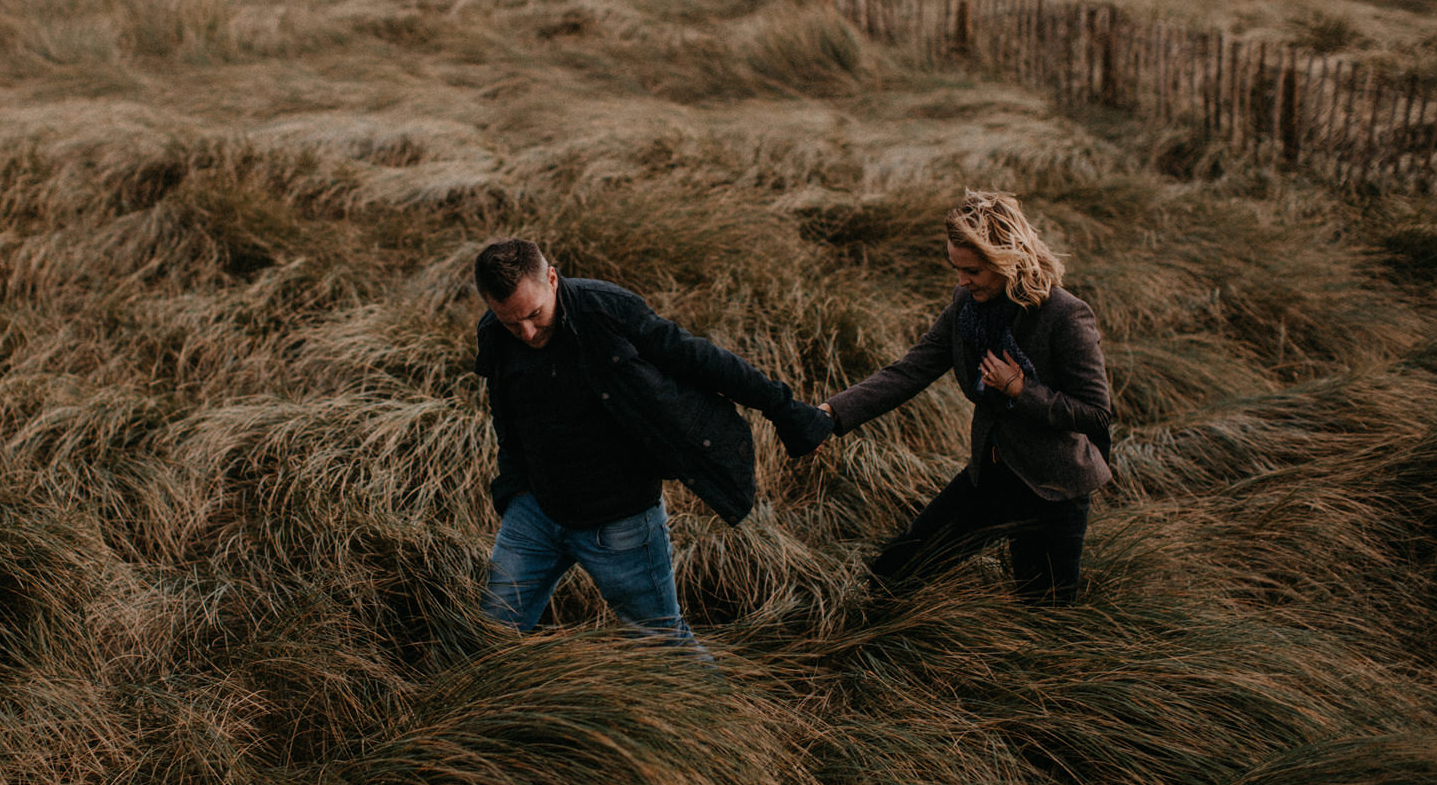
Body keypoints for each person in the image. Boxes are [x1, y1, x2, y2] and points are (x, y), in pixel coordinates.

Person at [472, 238, 833, 647]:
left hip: (621, 520)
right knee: (486, 635)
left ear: (552, 278)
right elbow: (506, 415)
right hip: (535, 513)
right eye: (510, 322)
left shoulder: (606, 309)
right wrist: (514, 491)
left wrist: (788, 412)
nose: (528, 332)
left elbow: (703, 360)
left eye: (535, 314)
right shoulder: (495, 334)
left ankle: (711, 709)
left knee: (662, 644)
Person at [821, 190, 1112, 605]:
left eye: (972, 271)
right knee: (894, 572)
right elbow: (910, 369)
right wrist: (832, 413)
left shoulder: (1064, 314)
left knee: (1045, 619)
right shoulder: (966, 306)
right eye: (956, 269)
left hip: (1053, 491)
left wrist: (1021, 390)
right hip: (989, 475)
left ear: (1005, 259)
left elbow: (1097, 415)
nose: (961, 282)